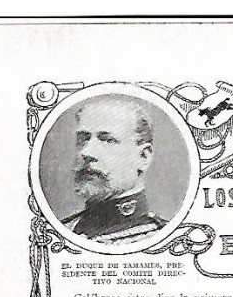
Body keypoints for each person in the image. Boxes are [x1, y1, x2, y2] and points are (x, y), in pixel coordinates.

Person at [63, 95, 168, 245]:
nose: (86, 152)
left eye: (107, 140)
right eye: (83, 139)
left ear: (143, 157)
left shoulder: (162, 238)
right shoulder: (62, 231)